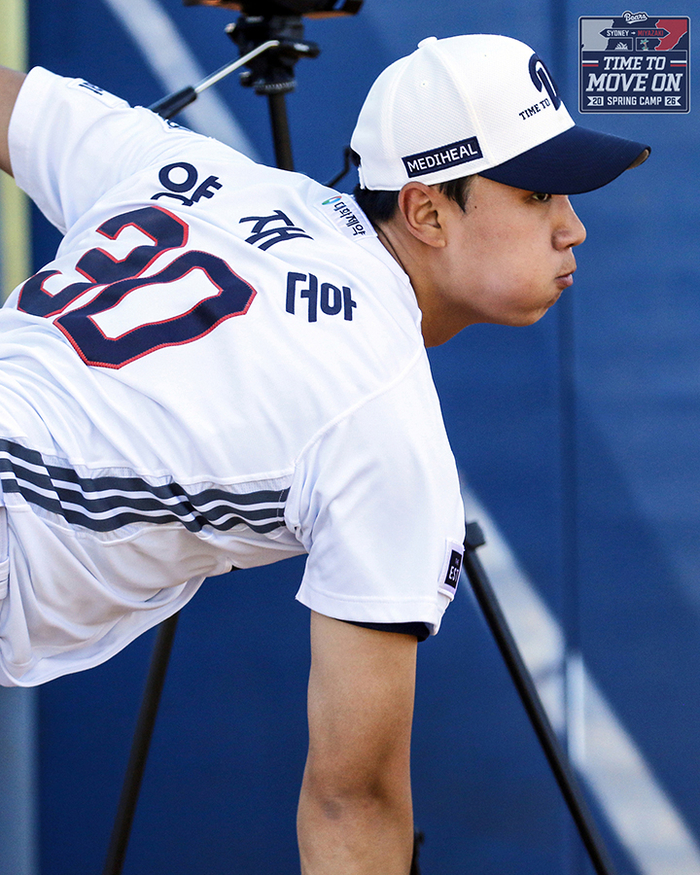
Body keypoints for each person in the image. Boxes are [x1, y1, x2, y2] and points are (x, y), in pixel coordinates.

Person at [0, 33, 648, 874]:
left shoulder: (197, 168)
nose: (573, 227)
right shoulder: (382, 417)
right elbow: (352, 804)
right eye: (537, 194)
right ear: (425, 212)